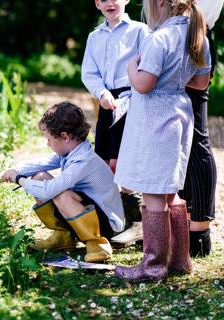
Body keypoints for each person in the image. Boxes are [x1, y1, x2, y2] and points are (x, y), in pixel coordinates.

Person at [113, 0, 211, 282]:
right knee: (169, 190)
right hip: (180, 113)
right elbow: (202, 82)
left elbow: (144, 83)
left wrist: (133, 67)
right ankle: (179, 260)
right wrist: (176, 80)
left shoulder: (160, 38)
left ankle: (153, 266)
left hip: (155, 117)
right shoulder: (197, 34)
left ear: (159, 3)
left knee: (154, 192)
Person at [0, 102, 125, 263]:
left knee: (60, 194)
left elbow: (48, 191)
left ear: (65, 137)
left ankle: (96, 243)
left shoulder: (83, 161)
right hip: (89, 212)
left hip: (106, 224)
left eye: (49, 139)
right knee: (39, 176)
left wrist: (19, 179)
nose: (47, 144)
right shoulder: (69, 152)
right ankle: (63, 236)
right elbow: (36, 165)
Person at [81, 0, 149, 239]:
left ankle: (138, 222)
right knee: (104, 162)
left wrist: (130, 94)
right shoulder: (94, 37)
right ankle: (115, 219)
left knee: (121, 161)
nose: (111, 3)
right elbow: (89, 72)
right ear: (97, 3)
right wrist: (101, 93)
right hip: (107, 100)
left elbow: (147, 66)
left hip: (132, 99)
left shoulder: (140, 30)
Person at [179, 0, 223, 257]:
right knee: (180, 141)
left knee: (197, 139)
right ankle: (183, 223)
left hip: (197, 37)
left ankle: (200, 232)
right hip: (173, 37)